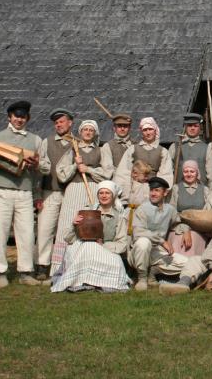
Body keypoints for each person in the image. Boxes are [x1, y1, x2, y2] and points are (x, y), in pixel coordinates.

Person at [0, 100, 43, 288]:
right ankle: (0, 272)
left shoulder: (35, 140)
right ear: (10, 117)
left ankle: (25, 272)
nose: (19, 120)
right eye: (16, 116)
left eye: (23, 117)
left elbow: (40, 171)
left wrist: (36, 168)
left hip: (24, 191)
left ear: (27, 118)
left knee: (27, 233)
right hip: (1, 190)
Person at [51, 120, 114, 276]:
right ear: (80, 132)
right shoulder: (73, 149)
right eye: (85, 130)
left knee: (90, 227)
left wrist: (88, 169)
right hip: (73, 191)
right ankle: (59, 269)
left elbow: (108, 173)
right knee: (69, 224)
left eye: (91, 130)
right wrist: (75, 166)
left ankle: (89, 267)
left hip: (92, 189)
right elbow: (61, 173)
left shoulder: (101, 151)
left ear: (95, 133)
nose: (87, 132)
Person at [50, 181, 131, 292]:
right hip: (83, 247)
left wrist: (104, 245)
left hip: (107, 249)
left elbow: (122, 244)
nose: (104, 195)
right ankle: (80, 280)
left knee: (117, 263)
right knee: (88, 247)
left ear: (113, 196)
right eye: (101, 193)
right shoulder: (87, 211)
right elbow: (69, 239)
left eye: (107, 193)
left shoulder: (119, 217)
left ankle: (99, 281)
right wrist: (74, 225)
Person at [129, 177, 190, 290]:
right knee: (144, 242)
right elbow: (139, 232)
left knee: (186, 263)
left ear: (165, 192)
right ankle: (142, 278)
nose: (153, 193)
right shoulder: (142, 209)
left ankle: (153, 272)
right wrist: (161, 241)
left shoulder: (170, 210)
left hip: (157, 252)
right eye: (151, 190)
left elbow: (176, 224)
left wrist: (186, 229)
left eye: (157, 190)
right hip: (138, 252)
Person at [35, 107, 74, 281]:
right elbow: (39, 168)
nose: (58, 125)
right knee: (45, 229)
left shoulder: (78, 143)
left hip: (71, 193)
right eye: (56, 123)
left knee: (67, 231)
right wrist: (37, 193)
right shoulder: (47, 141)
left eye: (61, 121)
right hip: (50, 191)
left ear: (70, 123)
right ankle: (42, 265)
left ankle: (64, 264)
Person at [114, 117, 174, 202]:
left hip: (153, 189)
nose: (148, 133)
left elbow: (166, 174)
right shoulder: (133, 149)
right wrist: (125, 193)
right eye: (145, 130)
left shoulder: (163, 151)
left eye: (150, 129)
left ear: (155, 130)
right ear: (142, 132)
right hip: (135, 189)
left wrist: (159, 190)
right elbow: (124, 172)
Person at [167, 159, 209, 256]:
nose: (189, 174)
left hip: (198, 228)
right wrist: (185, 229)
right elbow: (172, 212)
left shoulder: (205, 190)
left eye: (192, 171)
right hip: (178, 226)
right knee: (177, 241)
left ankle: (190, 269)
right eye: (186, 171)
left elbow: (207, 213)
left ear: (197, 172)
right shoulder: (176, 188)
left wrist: (191, 229)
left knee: (192, 241)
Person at [168, 113, 212, 187]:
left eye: (195, 126)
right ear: (185, 127)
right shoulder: (175, 146)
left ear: (200, 128)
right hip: (179, 191)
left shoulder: (206, 148)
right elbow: (168, 172)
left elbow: (211, 175)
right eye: (189, 125)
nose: (192, 128)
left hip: (200, 191)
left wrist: (211, 193)